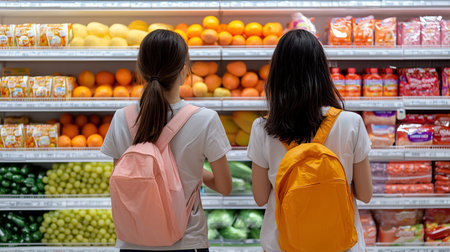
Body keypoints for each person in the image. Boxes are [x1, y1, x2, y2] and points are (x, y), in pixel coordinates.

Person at [101, 29, 233, 252]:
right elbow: (224, 186)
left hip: (133, 242)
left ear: (140, 70)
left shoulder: (121, 117)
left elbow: (122, 181)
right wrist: (193, 170)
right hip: (186, 242)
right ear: (184, 71)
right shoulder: (205, 119)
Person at [247, 29, 373, 252]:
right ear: (323, 72)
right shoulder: (351, 122)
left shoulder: (262, 128)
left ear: (277, 75)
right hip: (339, 244)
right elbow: (365, 194)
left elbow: (259, 197)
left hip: (283, 244)